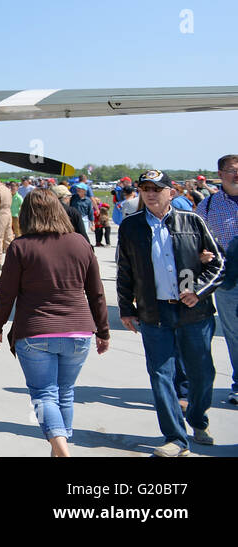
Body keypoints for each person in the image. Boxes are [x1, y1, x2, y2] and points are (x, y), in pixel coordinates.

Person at [0, 188, 110, 456]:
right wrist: (103, 330)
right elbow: (97, 292)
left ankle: (62, 452)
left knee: (44, 395)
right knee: (65, 393)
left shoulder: (21, 247)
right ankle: (59, 450)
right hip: (79, 331)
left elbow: (6, 293)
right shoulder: (80, 243)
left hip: (36, 332)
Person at [116, 169, 224, 456]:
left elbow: (219, 265)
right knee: (161, 375)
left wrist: (197, 290)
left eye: (157, 188)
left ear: (171, 193)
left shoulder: (193, 221)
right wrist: (126, 308)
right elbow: (125, 271)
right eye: (145, 188)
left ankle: (198, 419)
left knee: (202, 374)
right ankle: (175, 438)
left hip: (194, 313)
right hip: (154, 313)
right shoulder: (131, 226)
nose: (150, 193)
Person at [196, 154, 238, 406]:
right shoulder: (208, 206)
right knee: (234, 334)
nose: (237, 174)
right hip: (228, 280)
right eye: (232, 170)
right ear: (220, 174)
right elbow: (196, 239)